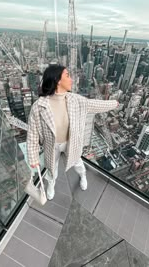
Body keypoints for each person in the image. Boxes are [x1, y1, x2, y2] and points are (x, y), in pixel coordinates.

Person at [27, 65, 119, 200]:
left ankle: (83, 175)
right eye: (67, 75)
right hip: (51, 145)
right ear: (58, 80)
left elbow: (93, 104)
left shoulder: (75, 100)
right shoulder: (39, 106)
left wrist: (113, 104)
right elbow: (33, 134)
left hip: (71, 141)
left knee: (77, 162)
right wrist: (33, 158)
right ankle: (51, 184)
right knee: (52, 168)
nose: (71, 79)